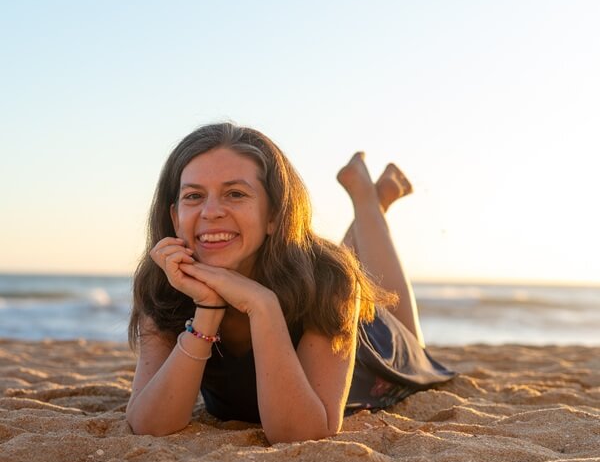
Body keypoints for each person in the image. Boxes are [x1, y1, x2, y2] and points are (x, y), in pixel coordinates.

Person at [127, 123, 455, 443]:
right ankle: (373, 205)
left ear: (273, 216)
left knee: (404, 330)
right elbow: (149, 424)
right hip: (309, 274)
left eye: (235, 193)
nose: (211, 211)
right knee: (333, 266)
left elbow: (302, 433)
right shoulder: (164, 283)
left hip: (371, 345)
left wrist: (262, 305)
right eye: (194, 196)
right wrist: (208, 308)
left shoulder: (331, 283)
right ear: (175, 218)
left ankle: (369, 204)